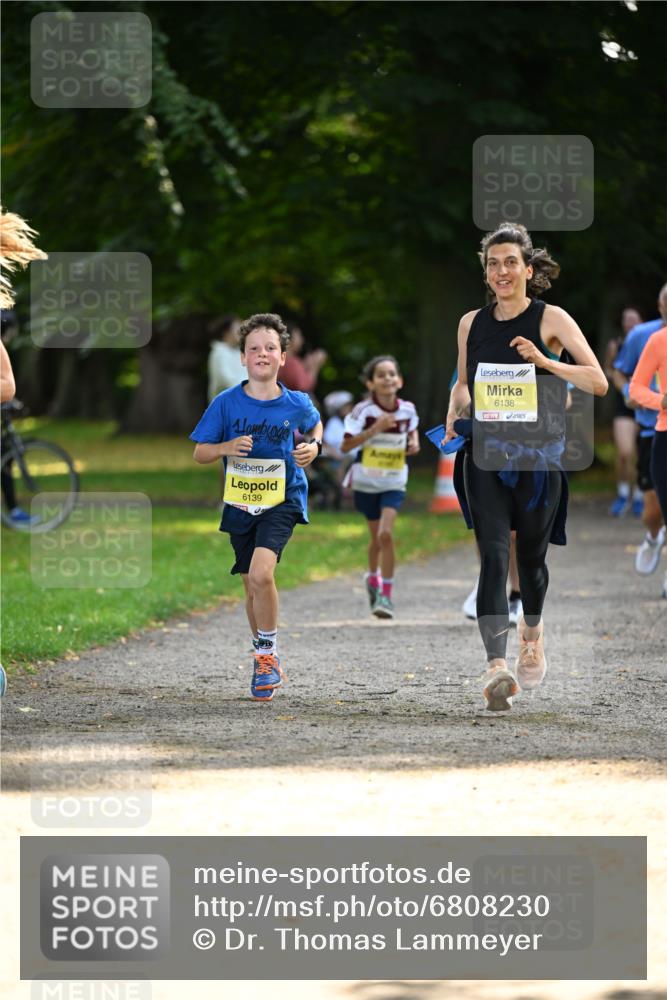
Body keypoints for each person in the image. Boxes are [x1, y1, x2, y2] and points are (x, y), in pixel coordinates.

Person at [444, 222, 607, 712]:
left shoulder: (551, 318)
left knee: (532, 562)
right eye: (493, 263)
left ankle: (532, 635)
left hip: (539, 463)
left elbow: (597, 381)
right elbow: (463, 382)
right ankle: (496, 667)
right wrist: (455, 410)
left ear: (528, 269)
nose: (501, 271)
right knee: (494, 555)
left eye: (510, 261)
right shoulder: (470, 322)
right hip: (486, 458)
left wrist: (544, 360)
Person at [190, 312, 322, 702]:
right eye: (253, 349)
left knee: (262, 574)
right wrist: (225, 448)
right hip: (240, 501)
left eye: (270, 348)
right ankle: (264, 655)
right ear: (243, 357)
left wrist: (313, 447)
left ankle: (266, 655)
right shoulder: (226, 404)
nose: (262, 354)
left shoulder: (295, 402)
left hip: (282, 498)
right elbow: (200, 452)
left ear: (283, 357)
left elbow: (314, 426)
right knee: (250, 583)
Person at [340, 356, 420, 619]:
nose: (387, 378)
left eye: (391, 374)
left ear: (400, 380)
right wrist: (375, 429)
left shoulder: (408, 409)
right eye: (381, 375)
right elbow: (346, 446)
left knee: (386, 534)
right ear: (371, 383)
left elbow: (412, 430)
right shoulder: (363, 411)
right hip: (366, 481)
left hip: (394, 480)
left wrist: (413, 443)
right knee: (375, 539)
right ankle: (372, 579)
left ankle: (385, 595)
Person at [613, 284, 667, 580]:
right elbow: (621, 372)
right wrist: (628, 394)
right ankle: (653, 536)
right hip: (652, 429)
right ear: (660, 306)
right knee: (653, 511)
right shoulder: (644, 337)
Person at [629, 325, 667, 598]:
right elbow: (636, 389)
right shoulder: (658, 340)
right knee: (655, 512)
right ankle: (654, 540)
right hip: (664, 436)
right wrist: (662, 401)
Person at [604, 307, 643, 517]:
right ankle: (622, 493)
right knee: (624, 453)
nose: (630, 323)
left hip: (645, 405)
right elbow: (606, 370)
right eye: (626, 319)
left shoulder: (649, 342)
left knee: (639, 455)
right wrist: (622, 382)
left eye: (634, 319)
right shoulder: (616, 345)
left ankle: (638, 496)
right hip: (624, 404)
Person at [280, 323, 327, 395]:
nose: (302, 340)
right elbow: (304, 387)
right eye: (299, 336)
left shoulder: (281, 359)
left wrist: (305, 365)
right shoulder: (291, 362)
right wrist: (315, 366)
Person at [207, 314, 245, 401]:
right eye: (238, 328)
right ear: (226, 332)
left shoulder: (239, 353)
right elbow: (226, 380)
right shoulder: (219, 352)